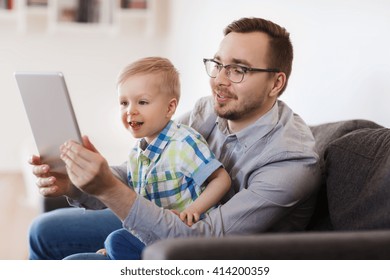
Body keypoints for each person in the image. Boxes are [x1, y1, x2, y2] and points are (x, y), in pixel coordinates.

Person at [28, 16, 321, 260]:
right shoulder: (208, 111)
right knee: (42, 230)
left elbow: (199, 242)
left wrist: (107, 189)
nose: (219, 80)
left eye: (238, 70)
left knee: (74, 264)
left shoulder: (291, 162)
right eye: (218, 64)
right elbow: (145, 168)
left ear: (276, 83)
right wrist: (76, 184)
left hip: (207, 256)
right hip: (172, 214)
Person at [96, 56, 231, 259]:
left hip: (185, 242)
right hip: (153, 235)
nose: (130, 111)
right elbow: (139, 211)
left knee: (115, 240)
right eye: (124, 103)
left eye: (142, 102)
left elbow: (221, 179)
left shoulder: (184, 142)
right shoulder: (137, 154)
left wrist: (195, 209)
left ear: (169, 108)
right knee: (113, 242)